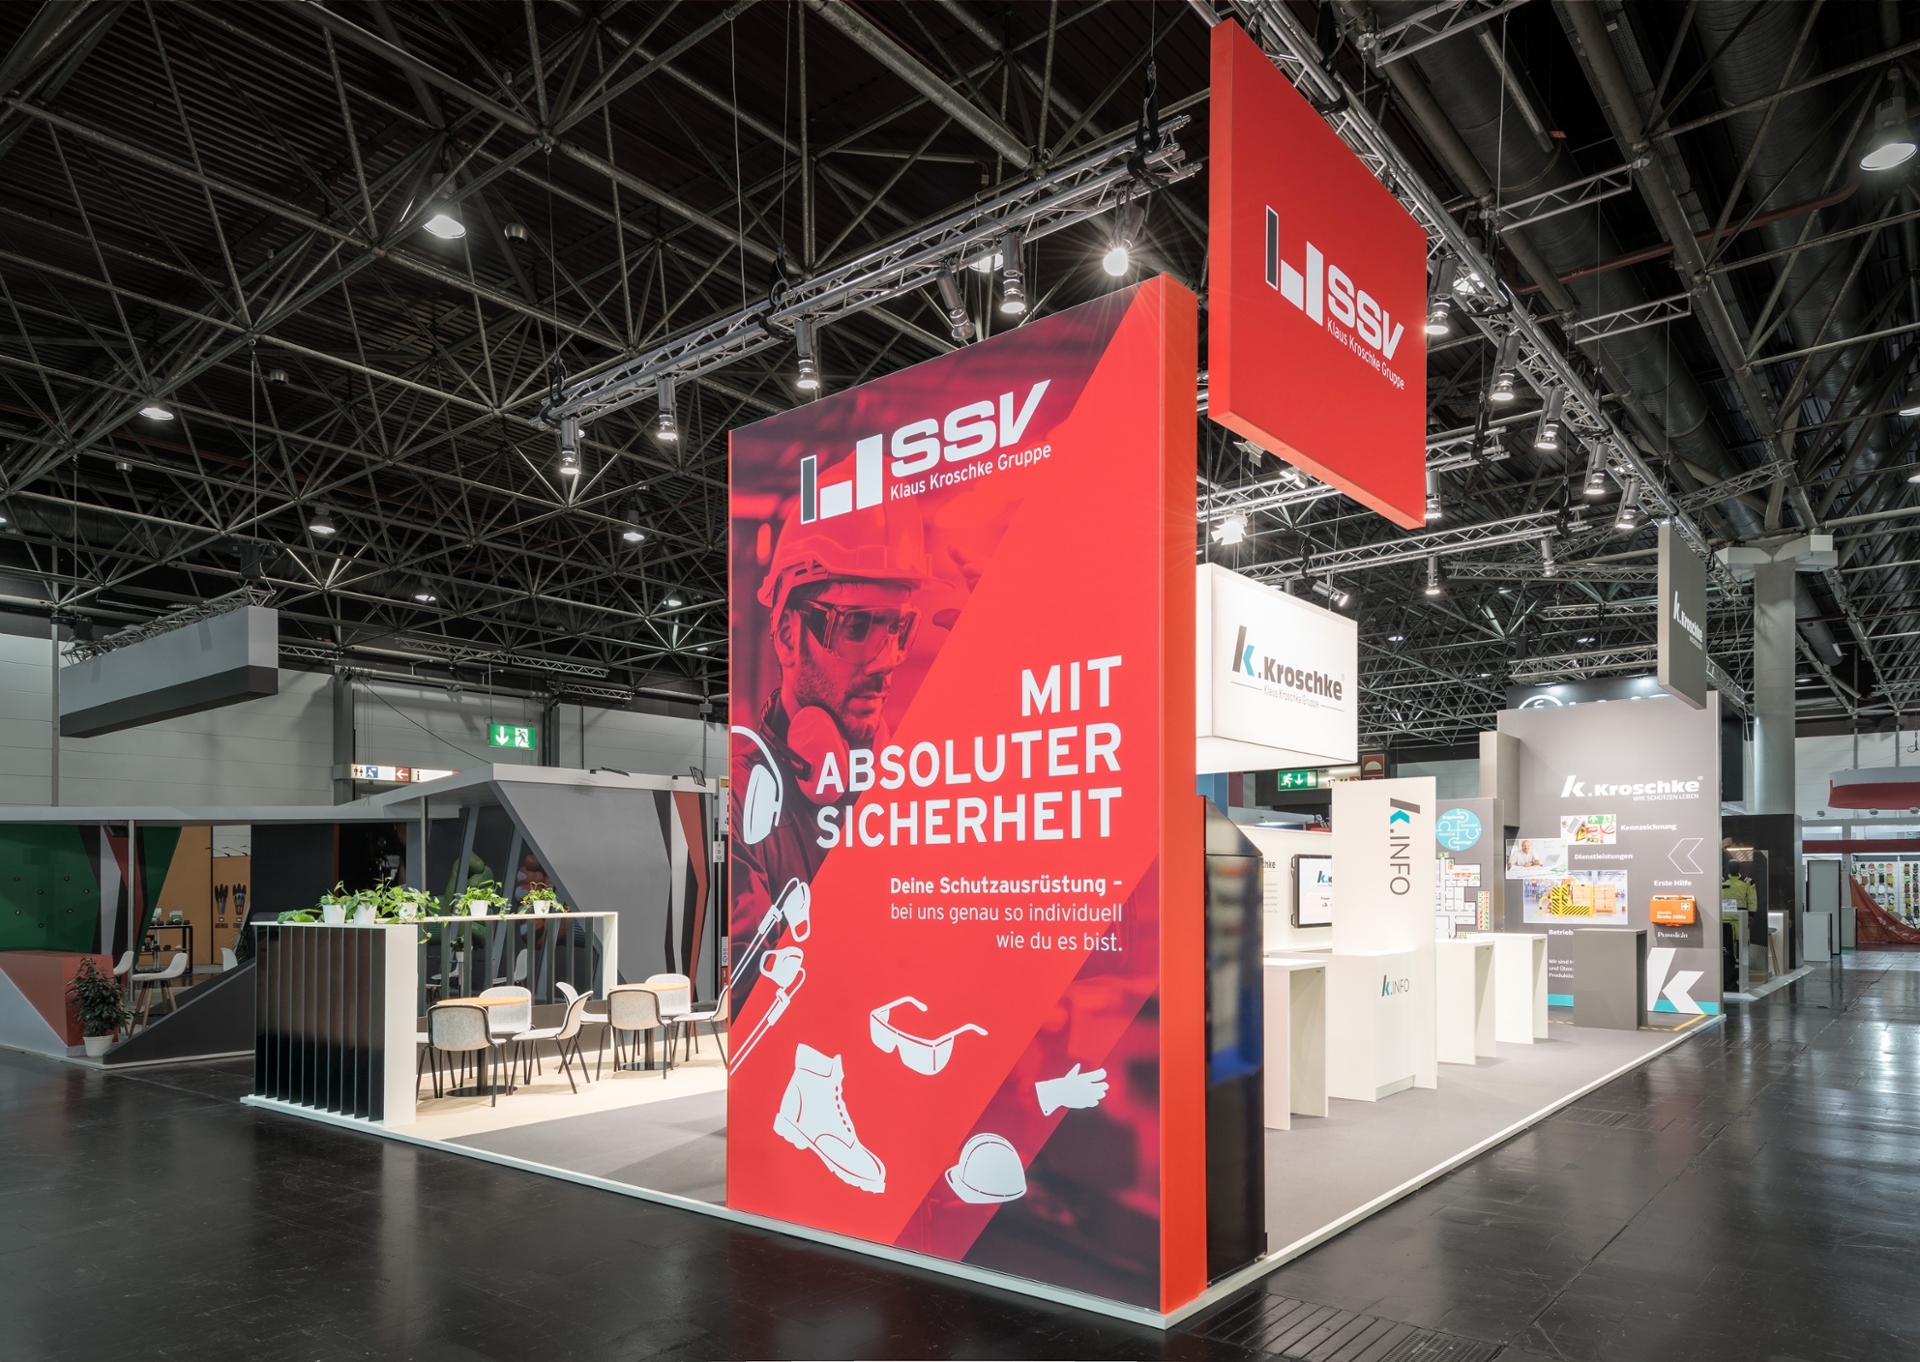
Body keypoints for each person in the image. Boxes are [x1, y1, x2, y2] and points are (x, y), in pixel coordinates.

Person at [730, 483, 927, 1017]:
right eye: (857, 626)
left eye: (899, 628)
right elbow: (755, 998)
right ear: (787, 635)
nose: (888, 660)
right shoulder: (742, 798)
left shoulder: (911, 789)